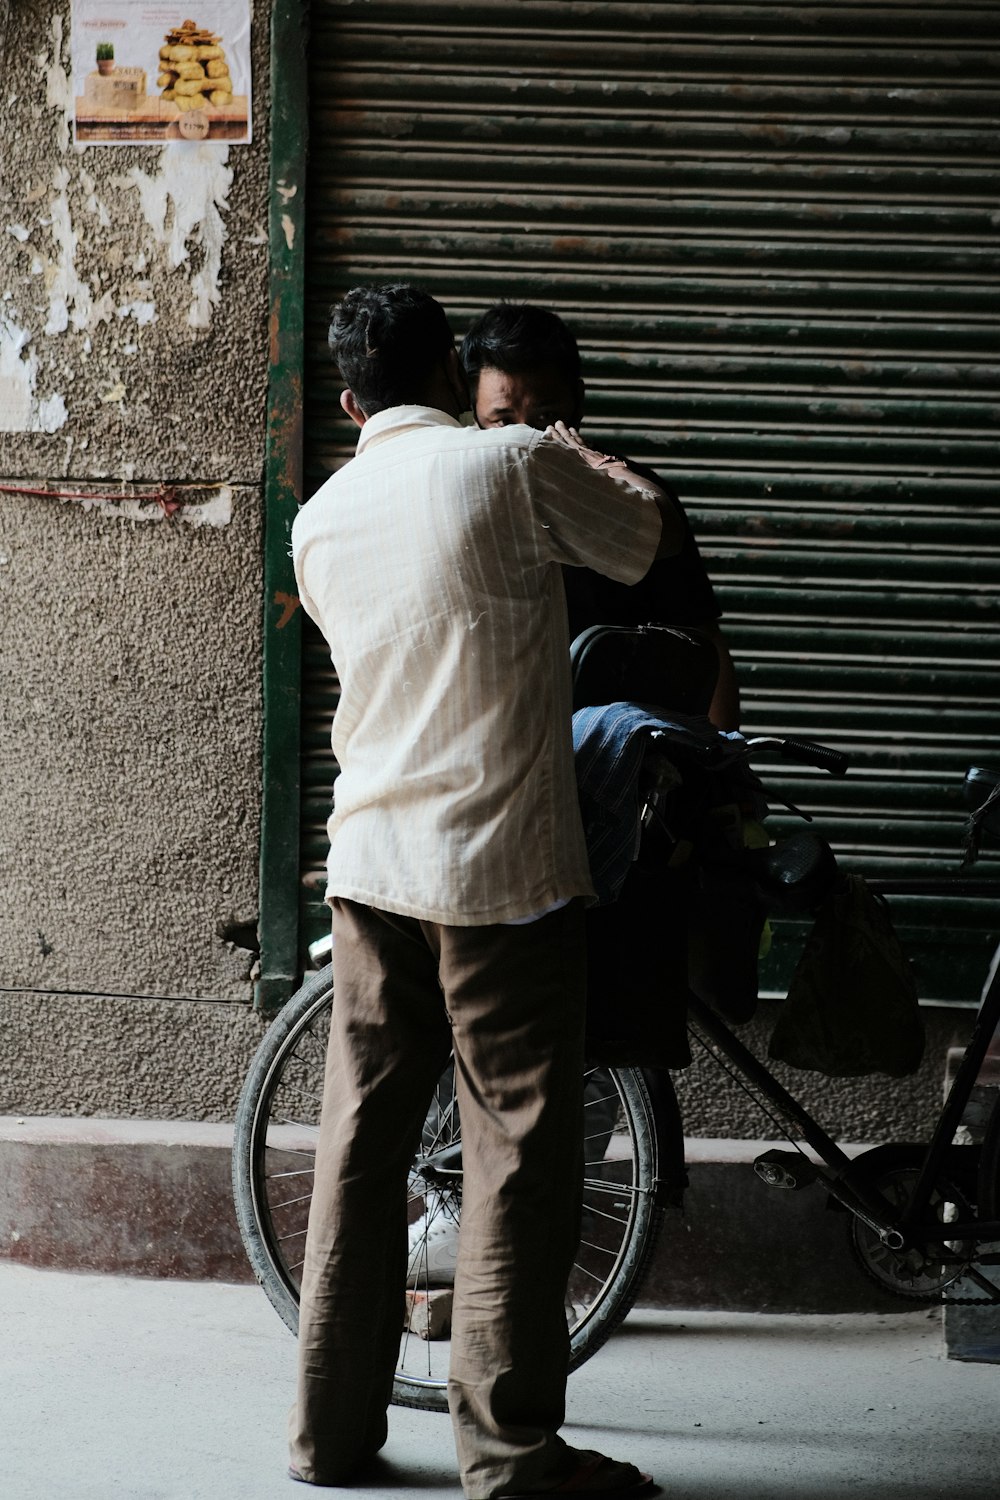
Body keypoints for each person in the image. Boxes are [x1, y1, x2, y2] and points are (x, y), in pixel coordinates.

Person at [288, 282, 679, 1499]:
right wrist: (573, 449)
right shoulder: (506, 464)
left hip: (370, 868)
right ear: (455, 376)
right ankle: (509, 1453)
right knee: (516, 1150)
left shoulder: (320, 514)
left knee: (359, 1143)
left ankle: (327, 1435)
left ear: (349, 401)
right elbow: (641, 540)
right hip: (495, 872)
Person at [460, 303, 741, 731]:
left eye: (541, 419)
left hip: (623, 762)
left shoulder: (639, 503)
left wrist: (724, 763)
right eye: (502, 422)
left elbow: (701, 640)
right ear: (474, 416)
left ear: (578, 401)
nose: (523, 439)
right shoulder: (459, 506)